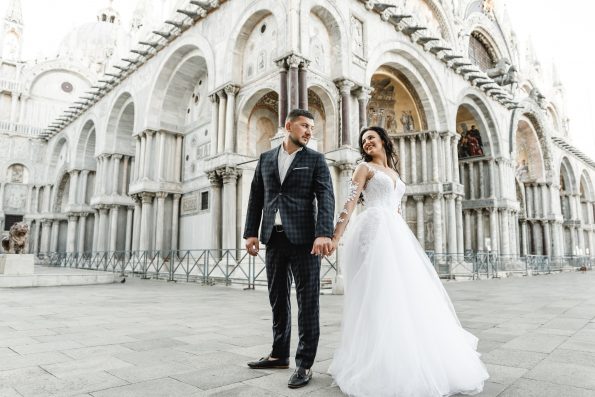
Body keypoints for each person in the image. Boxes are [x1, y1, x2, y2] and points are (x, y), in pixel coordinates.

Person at [328, 126, 489, 397]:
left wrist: (407, 242)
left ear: (383, 142)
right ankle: (374, 358)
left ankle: (404, 354)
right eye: (364, 140)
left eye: (372, 138)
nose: (367, 142)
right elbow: (350, 203)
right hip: (371, 231)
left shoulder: (394, 174)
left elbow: (398, 209)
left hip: (395, 233)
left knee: (406, 295)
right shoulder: (363, 168)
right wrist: (335, 237)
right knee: (376, 294)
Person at [243, 108, 335, 389]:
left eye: (312, 128)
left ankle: (304, 363)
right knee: (277, 299)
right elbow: (256, 196)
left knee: (308, 303)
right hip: (274, 238)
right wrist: (250, 233)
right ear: (288, 126)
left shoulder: (316, 160)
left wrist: (323, 233)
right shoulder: (266, 158)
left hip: (306, 241)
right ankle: (279, 354)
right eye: (305, 126)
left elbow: (326, 197)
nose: (309, 131)